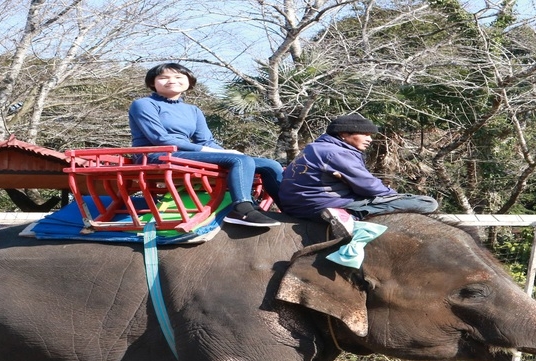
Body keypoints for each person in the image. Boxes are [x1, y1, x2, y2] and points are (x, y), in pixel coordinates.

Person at [128, 63, 281, 228]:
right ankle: (242, 208)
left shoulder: (193, 110)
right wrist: (227, 155)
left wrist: (228, 153)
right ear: (153, 83)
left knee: (270, 164)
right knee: (239, 161)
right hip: (156, 155)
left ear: (189, 81)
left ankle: (289, 207)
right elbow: (160, 138)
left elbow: (205, 141)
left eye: (178, 77)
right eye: (163, 77)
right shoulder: (143, 104)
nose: (171, 81)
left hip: (183, 154)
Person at [278, 113, 439, 238]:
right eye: (365, 134)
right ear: (343, 134)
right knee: (427, 203)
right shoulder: (337, 153)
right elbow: (369, 187)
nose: (369, 139)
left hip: (298, 205)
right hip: (318, 206)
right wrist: (396, 197)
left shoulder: (315, 147)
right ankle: (349, 215)